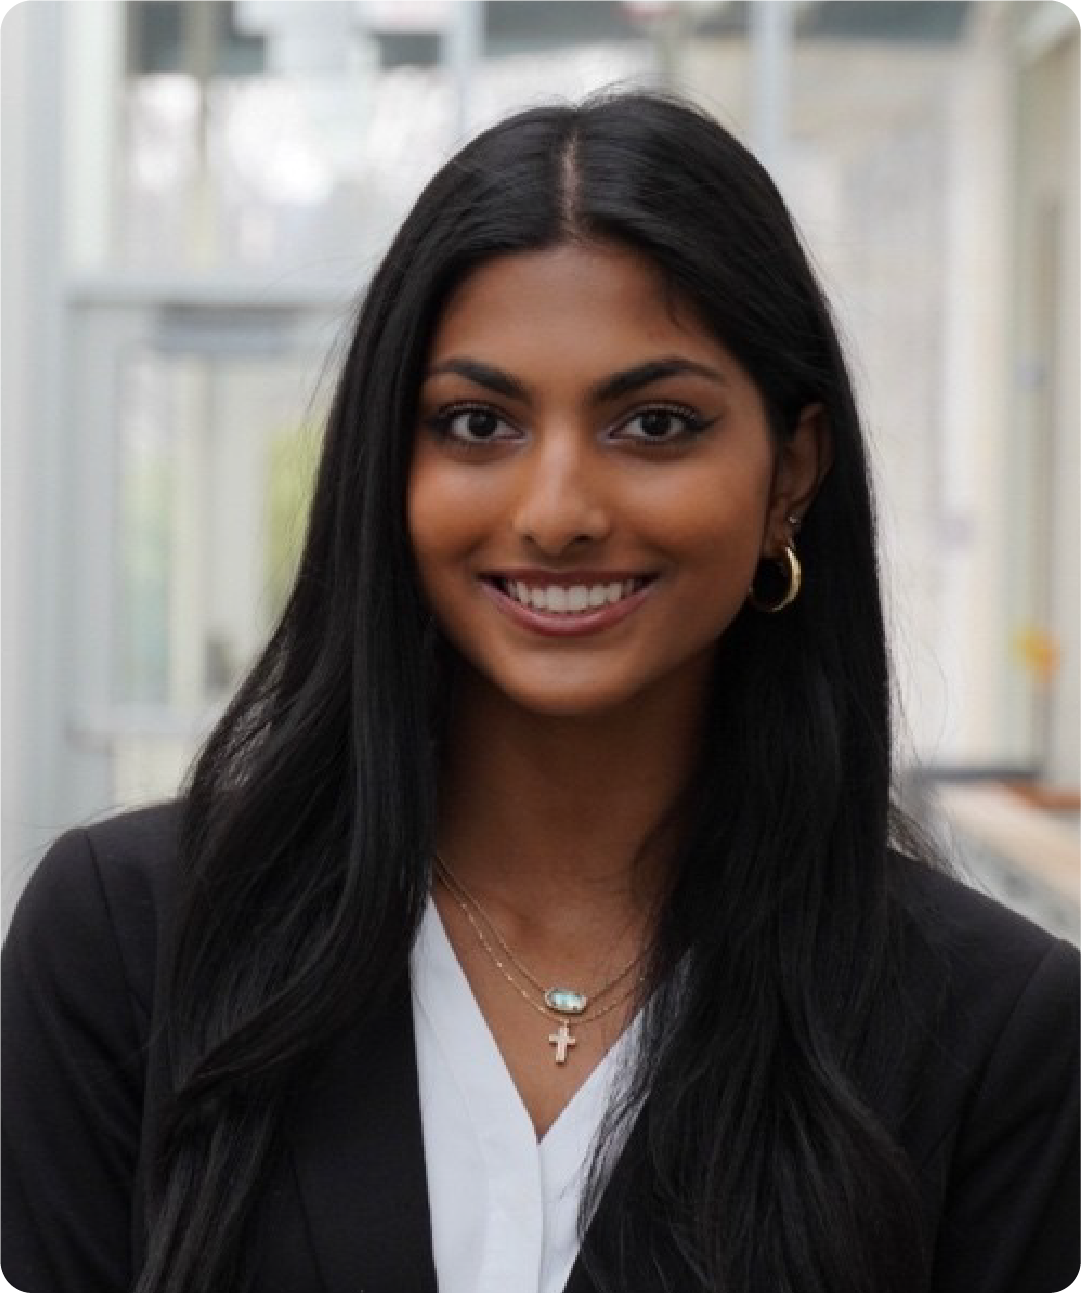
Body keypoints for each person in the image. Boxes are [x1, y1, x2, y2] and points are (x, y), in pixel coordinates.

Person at [3, 90, 1077, 1293]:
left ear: (791, 472)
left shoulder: (988, 1032)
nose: (557, 512)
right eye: (477, 423)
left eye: (654, 424)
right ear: (385, 466)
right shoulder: (130, 946)